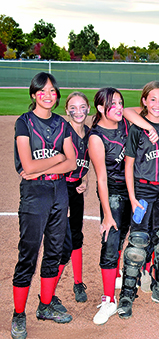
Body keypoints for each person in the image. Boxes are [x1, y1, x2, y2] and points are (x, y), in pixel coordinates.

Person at [11, 72, 76, 339]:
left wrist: (44, 166)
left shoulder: (62, 124)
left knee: (55, 249)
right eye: (43, 91)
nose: (48, 95)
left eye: (52, 91)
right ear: (34, 94)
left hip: (59, 190)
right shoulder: (24, 122)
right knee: (28, 252)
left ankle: (46, 306)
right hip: (35, 193)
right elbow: (27, 166)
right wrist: (57, 157)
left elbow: (72, 163)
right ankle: (18, 314)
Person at [117, 81, 159, 319]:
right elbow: (129, 165)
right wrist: (133, 198)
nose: (157, 104)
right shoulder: (137, 128)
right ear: (144, 101)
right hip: (143, 191)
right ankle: (127, 292)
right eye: (152, 99)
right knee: (137, 242)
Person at [88, 88, 131, 325]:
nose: (118, 107)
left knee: (124, 234)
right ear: (100, 108)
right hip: (112, 191)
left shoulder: (124, 122)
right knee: (111, 240)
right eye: (111, 104)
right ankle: (108, 300)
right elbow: (101, 179)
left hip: (132, 190)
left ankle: (116, 275)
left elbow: (136, 114)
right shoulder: (96, 137)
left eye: (120, 103)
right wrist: (106, 213)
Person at [53, 92, 91, 305]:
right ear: (67, 110)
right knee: (62, 242)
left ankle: (78, 282)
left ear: (88, 109)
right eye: (73, 107)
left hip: (76, 190)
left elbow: (86, 164)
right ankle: (50, 290)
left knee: (76, 236)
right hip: (60, 188)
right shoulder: (62, 132)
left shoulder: (89, 132)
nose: (78, 111)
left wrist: (85, 180)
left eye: (83, 106)